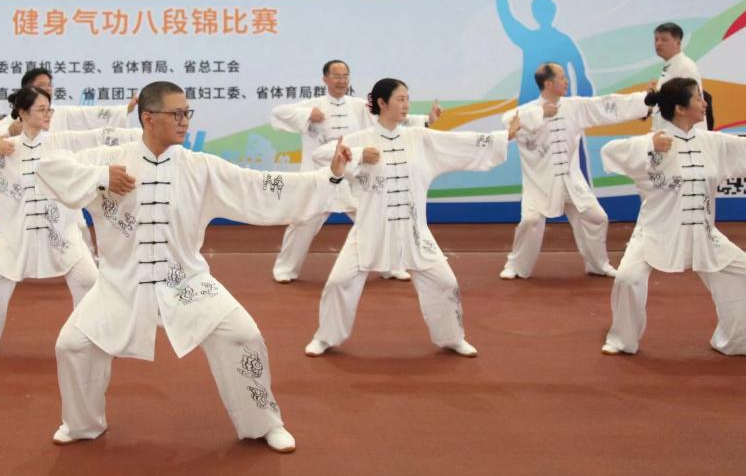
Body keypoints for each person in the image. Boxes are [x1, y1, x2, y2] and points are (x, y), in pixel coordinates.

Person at [34, 81, 352, 453]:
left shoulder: (200, 168)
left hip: (186, 282)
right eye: (177, 114)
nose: (185, 120)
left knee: (244, 336)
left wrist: (329, 177)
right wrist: (101, 177)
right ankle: (81, 425)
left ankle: (264, 423)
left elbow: (259, 187)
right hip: (120, 285)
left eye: (187, 113)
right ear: (148, 119)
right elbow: (48, 165)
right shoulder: (110, 159)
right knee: (72, 345)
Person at [304, 78, 514, 359]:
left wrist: (503, 138)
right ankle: (325, 337)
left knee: (445, 283)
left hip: (415, 230)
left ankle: (452, 338)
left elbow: (460, 144)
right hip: (370, 229)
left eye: (407, 99)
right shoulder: (361, 139)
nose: (406, 105)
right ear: (382, 103)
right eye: (400, 99)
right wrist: (358, 156)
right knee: (338, 282)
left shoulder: (419, 138)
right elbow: (321, 155)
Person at [599, 78, 746, 357]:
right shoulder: (653, 141)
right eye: (698, 98)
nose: (705, 103)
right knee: (627, 278)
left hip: (703, 232)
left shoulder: (714, 143)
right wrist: (649, 144)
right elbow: (609, 153)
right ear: (680, 108)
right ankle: (622, 339)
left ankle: (733, 341)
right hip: (655, 230)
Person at [0, 86, 141, 357]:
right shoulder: (4, 150)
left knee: (90, 280)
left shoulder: (60, 143)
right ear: (22, 112)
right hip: (14, 237)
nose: (48, 114)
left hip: (62, 233)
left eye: (49, 109)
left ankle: (95, 338)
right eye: (41, 109)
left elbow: (97, 136)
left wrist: (142, 136)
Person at [268, 59, 438, 283]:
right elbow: (278, 113)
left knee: (377, 220)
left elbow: (387, 116)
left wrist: (426, 120)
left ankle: (390, 266)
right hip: (319, 178)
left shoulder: (359, 106)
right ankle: (285, 269)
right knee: (302, 223)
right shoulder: (313, 104)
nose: (342, 81)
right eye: (337, 76)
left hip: (352, 178)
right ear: (325, 79)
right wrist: (307, 114)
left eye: (345, 76)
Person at [499, 63, 654, 280]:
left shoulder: (574, 106)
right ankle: (516, 266)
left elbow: (606, 105)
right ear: (548, 84)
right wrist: (540, 113)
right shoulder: (527, 111)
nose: (566, 81)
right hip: (540, 183)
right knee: (530, 221)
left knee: (597, 217)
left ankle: (598, 265)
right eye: (562, 77)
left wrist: (645, 100)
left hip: (572, 181)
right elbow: (507, 121)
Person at [497, 0, 593, 105]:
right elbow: (507, 18)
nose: (542, 15)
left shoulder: (540, 39)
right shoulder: (535, 39)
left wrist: (581, 100)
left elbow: (580, 73)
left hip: (557, 104)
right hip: (532, 104)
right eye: (540, 11)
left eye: (545, 11)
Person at [0, 67, 136, 140]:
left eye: (49, 85)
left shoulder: (60, 112)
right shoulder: (19, 115)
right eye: (42, 85)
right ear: (27, 89)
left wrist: (124, 110)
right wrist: (9, 132)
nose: (47, 89)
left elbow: (89, 115)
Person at [651, 22, 703, 132]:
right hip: (667, 131)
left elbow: (692, 104)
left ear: (678, 43)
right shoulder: (670, 65)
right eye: (656, 39)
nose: (658, 44)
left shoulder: (685, 67)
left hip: (681, 134)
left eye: (664, 40)